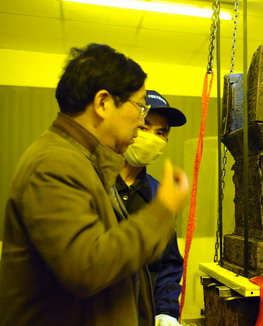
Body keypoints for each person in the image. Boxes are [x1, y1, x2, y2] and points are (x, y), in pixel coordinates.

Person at [0, 43, 189, 326]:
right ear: (103, 103)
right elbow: (87, 268)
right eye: (139, 108)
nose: (140, 122)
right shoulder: (55, 164)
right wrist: (161, 210)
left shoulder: (88, 163)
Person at [116, 90, 187, 326]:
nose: (151, 138)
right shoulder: (94, 184)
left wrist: (166, 312)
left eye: (161, 133)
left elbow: (169, 262)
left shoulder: (160, 194)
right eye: (145, 128)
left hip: (143, 311)